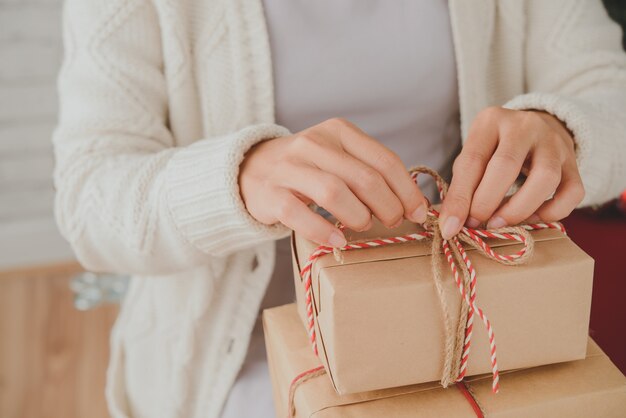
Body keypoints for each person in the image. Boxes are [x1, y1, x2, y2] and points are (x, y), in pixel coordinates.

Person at [52, 1, 626, 417]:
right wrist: (236, 177)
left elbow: (607, 89)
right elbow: (88, 199)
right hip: (234, 354)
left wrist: (563, 131)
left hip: (464, 318)